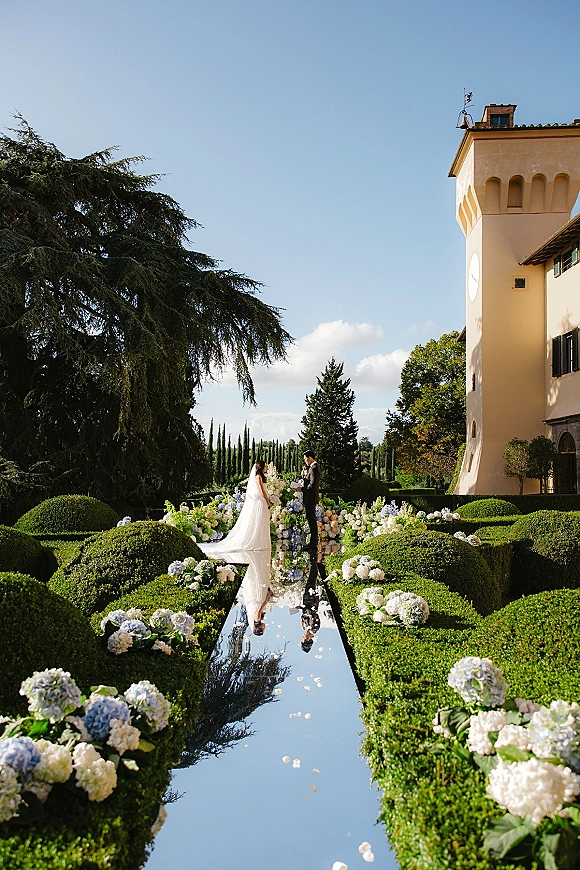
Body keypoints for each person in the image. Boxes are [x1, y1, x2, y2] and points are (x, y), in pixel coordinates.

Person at [199, 459, 273, 556]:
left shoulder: (261, 476)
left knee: (261, 521)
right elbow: (262, 490)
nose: (267, 468)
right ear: (261, 467)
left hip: (261, 500)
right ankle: (258, 543)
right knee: (259, 521)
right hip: (260, 501)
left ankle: (260, 542)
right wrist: (268, 502)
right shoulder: (258, 476)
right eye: (266, 466)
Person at [299, 450, 320, 553]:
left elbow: (312, 485)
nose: (305, 461)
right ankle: (312, 543)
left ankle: (313, 543)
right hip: (309, 498)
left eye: (305, 459)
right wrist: (304, 476)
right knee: (311, 519)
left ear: (310, 458)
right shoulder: (311, 469)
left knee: (312, 520)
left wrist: (301, 489)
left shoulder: (314, 468)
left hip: (310, 498)